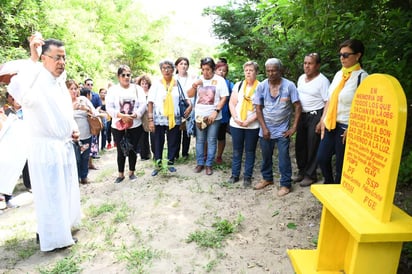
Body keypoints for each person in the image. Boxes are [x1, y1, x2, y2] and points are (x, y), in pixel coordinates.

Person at [8, 36, 81, 251]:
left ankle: (60, 228)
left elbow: (63, 111)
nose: (62, 62)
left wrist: (72, 129)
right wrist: (33, 58)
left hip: (63, 145)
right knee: (51, 194)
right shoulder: (35, 79)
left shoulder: (59, 81)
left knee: (64, 190)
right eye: (57, 58)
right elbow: (17, 89)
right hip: (46, 149)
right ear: (44, 58)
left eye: (64, 58)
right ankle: (53, 237)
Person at [317, 39, 368, 184]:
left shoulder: (363, 78)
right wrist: (323, 119)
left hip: (346, 127)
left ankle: (339, 193)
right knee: (322, 158)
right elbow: (331, 98)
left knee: (341, 164)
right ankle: (329, 184)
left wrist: (353, 127)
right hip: (330, 124)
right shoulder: (339, 74)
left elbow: (365, 108)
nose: (342, 58)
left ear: (358, 56)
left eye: (346, 55)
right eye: (340, 55)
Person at [253, 58, 302, 197]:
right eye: (268, 70)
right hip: (266, 128)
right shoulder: (262, 86)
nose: (271, 73)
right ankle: (267, 178)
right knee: (266, 156)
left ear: (280, 70)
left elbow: (297, 106)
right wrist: (264, 128)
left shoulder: (289, 86)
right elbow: (258, 108)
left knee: (284, 158)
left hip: (282, 130)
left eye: (274, 70)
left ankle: (285, 184)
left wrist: (293, 128)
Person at [147, 60, 192, 176]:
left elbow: (184, 97)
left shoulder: (177, 83)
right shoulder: (156, 84)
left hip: (174, 117)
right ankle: (158, 165)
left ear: (173, 69)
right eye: (164, 68)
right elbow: (150, 102)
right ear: (161, 70)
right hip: (159, 118)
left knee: (173, 141)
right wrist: (150, 120)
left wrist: (190, 105)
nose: (166, 70)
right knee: (158, 142)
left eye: (169, 68)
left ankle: (170, 163)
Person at [293, 53, 330, 187]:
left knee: (312, 145)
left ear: (317, 65)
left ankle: (311, 174)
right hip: (302, 115)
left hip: (316, 114)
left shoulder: (323, 81)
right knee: (300, 144)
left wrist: (322, 120)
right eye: (305, 63)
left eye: (310, 63)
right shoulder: (301, 78)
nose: (307, 66)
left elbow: (328, 101)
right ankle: (302, 171)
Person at [187, 57, 229, 175]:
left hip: (213, 116)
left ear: (213, 69)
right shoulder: (198, 79)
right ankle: (200, 163)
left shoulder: (220, 80)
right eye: (203, 69)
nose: (205, 72)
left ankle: (209, 164)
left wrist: (216, 111)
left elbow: (224, 97)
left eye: (208, 69)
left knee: (211, 140)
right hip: (200, 115)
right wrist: (195, 85)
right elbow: (189, 94)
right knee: (200, 140)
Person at [106, 65, 146, 183]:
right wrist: (120, 116)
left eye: (128, 74)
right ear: (118, 77)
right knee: (120, 150)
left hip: (134, 124)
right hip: (118, 125)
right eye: (123, 75)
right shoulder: (113, 90)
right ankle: (120, 174)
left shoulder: (137, 89)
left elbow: (143, 104)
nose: (126, 77)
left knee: (133, 149)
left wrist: (135, 114)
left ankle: (132, 172)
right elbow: (109, 107)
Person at [228, 61, 260, 187]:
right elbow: (232, 103)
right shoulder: (239, 85)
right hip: (236, 124)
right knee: (237, 150)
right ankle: (235, 175)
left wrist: (249, 120)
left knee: (250, 151)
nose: (248, 72)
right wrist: (236, 118)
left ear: (256, 72)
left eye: (251, 70)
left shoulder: (261, 86)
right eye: (246, 70)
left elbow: (261, 108)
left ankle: (247, 176)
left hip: (252, 125)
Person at [67, 80, 98, 185]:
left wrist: (86, 109)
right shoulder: (64, 102)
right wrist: (72, 109)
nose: (74, 91)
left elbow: (95, 113)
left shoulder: (83, 99)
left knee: (85, 157)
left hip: (85, 133)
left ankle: (84, 176)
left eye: (75, 88)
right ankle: (75, 178)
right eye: (71, 89)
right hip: (71, 136)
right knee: (75, 158)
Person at [174, 57, 196, 160]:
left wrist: (191, 106)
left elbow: (195, 94)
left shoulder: (192, 78)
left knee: (187, 129)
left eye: (185, 64)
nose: (183, 66)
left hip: (189, 106)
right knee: (176, 130)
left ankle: (185, 152)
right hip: (176, 107)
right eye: (181, 63)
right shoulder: (173, 78)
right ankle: (175, 153)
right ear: (176, 66)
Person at [214, 61, 234, 164]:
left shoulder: (229, 84)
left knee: (221, 136)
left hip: (224, 114)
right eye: (219, 70)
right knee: (208, 137)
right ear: (215, 70)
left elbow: (236, 94)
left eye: (224, 71)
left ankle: (219, 156)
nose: (221, 72)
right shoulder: (210, 81)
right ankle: (205, 156)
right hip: (210, 114)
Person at [135, 75, 154, 160]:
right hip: (141, 117)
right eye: (142, 83)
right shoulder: (137, 94)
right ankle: (144, 155)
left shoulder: (151, 92)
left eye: (146, 83)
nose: (144, 85)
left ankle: (155, 153)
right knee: (143, 137)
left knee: (153, 136)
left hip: (150, 116)